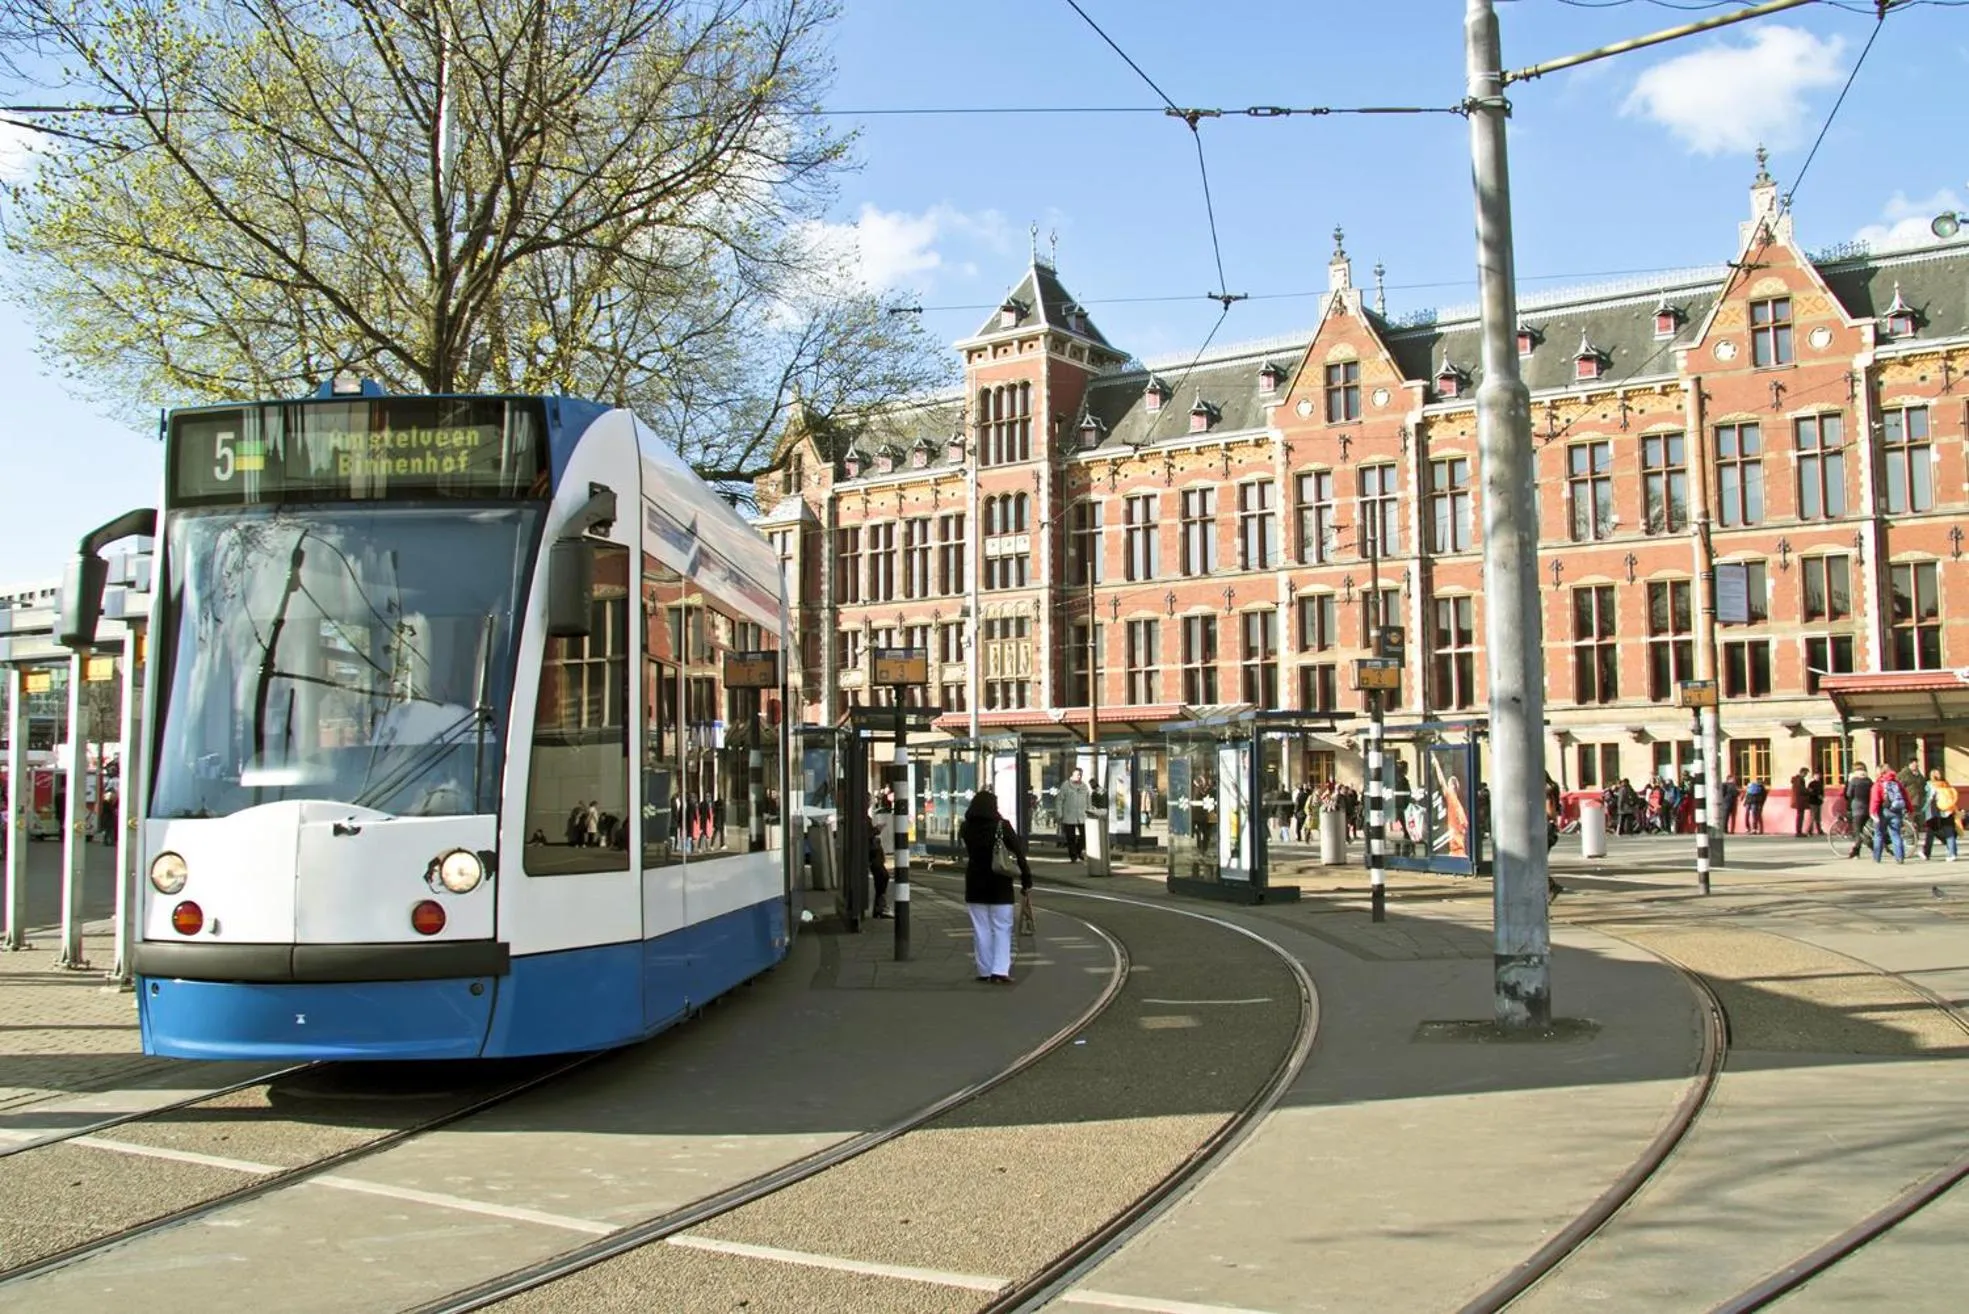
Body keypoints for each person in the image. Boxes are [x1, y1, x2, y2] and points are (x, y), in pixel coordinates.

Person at [959, 789, 1031, 984]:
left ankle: (984, 970)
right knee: (1002, 927)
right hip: (1000, 883)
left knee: (981, 928)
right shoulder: (1002, 826)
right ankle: (999, 970)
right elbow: (1019, 853)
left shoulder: (965, 827)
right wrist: (1026, 880)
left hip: (975, 883)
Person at [1871, 764, 1910, 864]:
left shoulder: (1878, 784)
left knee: (1879, 834)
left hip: (1882, 811)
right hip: (1896, 811)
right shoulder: (1897, 783)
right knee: (1896, 834)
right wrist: (1910, 809)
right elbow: (1905, 796)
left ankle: (1877, 858)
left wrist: (1873, 813)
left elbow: (1875, 800)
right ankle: (1900, 858)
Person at [1920, 768, 1959, 863]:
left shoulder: (1930, 785)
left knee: (1930, 833)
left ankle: (1926, 853)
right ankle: (1952, 854)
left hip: (1935, 813)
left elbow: (1929, 799)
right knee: (1950, 833)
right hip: (1948, 811)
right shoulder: (1946, 784)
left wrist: (1923, 810)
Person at [1057, 768, 1091, 863]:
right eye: (1077, 775)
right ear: (1072, 775)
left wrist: (1089, 811)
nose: (1079, 777)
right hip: (1069, 815)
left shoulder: (1084, 786)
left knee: (1084, 835)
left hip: (1082, 815)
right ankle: (1073, 856)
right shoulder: (1065, 786)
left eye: (1080, 775)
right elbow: (1059, 800)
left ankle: (1078, 851)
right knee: (1070, 837)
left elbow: (1088, 801)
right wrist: (1059, 813)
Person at [1843, 763, 1872, 858]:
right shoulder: (1869, 780)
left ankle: (1870, 844)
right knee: (1861, 830)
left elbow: (1848, 794)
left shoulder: (1854, 780)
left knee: (1857, 831)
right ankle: (1856, 852)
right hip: (1868, 808)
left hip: (1857, 809)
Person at [1804, 769, 1825, 837]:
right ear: (1814, 776)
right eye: (1816, 775)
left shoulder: (1820, 783)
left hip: (1819, 802)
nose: (1818, 776)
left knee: (1818, 817)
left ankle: (1819, 830)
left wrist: (1822, 797)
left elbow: (1822, 792)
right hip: (1813, 802)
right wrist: (1817, 795)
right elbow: (1810, 792)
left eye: (1819, 775)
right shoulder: (1811, 783)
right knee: (1813, 817)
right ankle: (1809, 831)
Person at [1788, 770, 1808, 836]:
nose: (1806, 775)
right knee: (1800, 816)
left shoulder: (1797, 780)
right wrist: (1809, 791)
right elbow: (1801, 789)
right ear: (1801, 773)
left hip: (1799, 800)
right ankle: (1799, 832)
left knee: (1800, 816)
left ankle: (1799, 831)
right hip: (1799, 800)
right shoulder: (1799, 780)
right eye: (1805, 773)